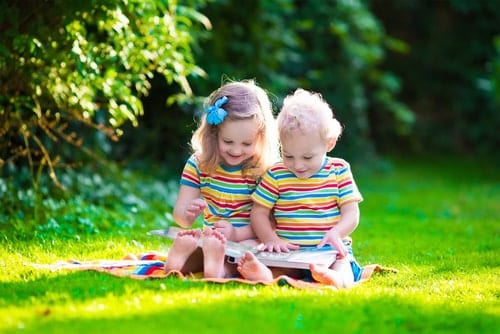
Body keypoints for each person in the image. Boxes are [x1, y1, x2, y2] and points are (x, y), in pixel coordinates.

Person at [237, 88, 363, 288]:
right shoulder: (276, 174)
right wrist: (271, 239)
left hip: (329, 251)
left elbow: (351, 213)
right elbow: (259, 213)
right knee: (279, 269)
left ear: (329, 143)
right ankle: (265, 275)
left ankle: (335, 279)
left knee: (343, 265)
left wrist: (337, 232)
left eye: (307, 157)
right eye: (288, 155)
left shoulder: (338, 170)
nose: (298, 165)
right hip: (290, 253)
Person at [164, 79, 279, 279]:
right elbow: (180, 217)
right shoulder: (199, 163)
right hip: (211, 241)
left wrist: (235, 234)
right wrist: (187, 214)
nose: (236, 150)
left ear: (261, 137)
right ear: (213, 133)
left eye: (246, 143)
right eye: (228, 141)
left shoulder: (262, 170)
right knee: (202, 244)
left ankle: (212, 267)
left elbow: (270, 222)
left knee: (252, 251)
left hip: (248, 238)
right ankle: (181, 263)